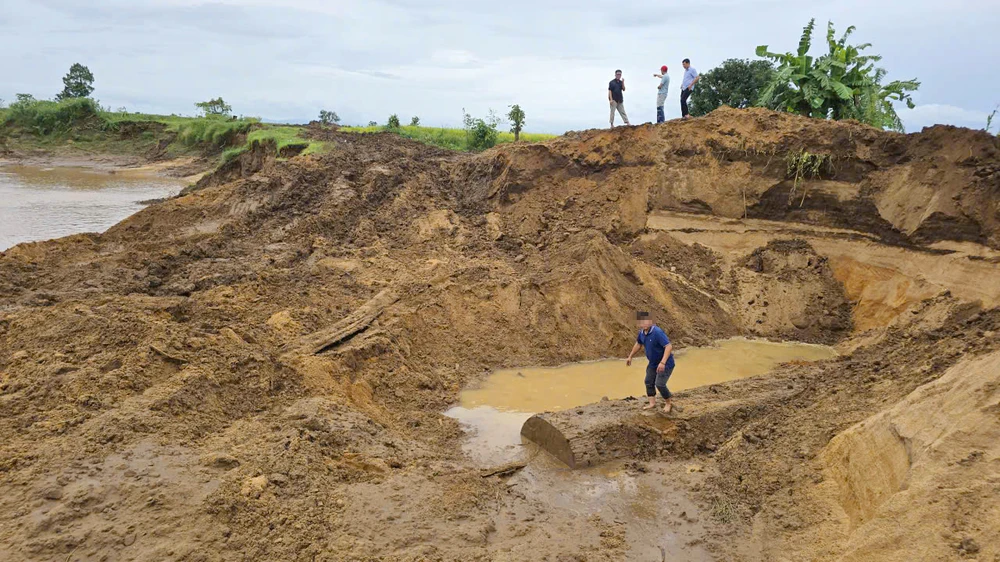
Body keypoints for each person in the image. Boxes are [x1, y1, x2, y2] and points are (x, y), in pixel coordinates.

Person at [625, 311, 677, 413]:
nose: (643, 324)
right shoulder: (641, 333)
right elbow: (638, 344)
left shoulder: (657, 332)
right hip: (653, 364)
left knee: (660, 384)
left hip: (665, 364)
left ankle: (668, 403)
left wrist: (662, 363)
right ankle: (652, 403)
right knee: (648, 382)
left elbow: (668, 346)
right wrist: (630, 356)